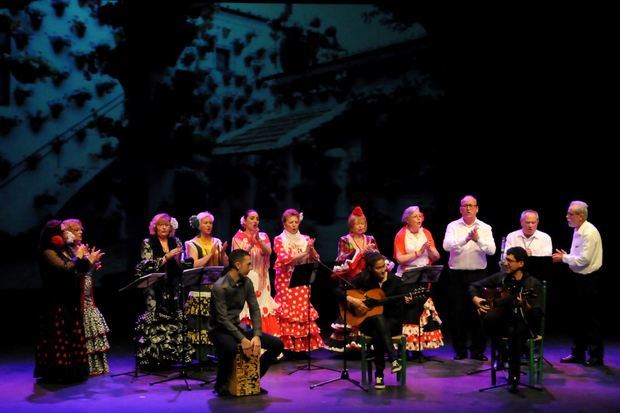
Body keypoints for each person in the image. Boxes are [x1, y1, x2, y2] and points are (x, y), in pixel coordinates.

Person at [34, 220, 102, 383]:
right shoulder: (48, 252)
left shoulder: (65, 249)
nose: (67, 234)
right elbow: (64, 269)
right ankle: (59, 373)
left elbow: (79, 270)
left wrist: (90, 261)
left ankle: (74, 371)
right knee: (59, 337)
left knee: (72, 335)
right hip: (56, 301)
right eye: (63, 231)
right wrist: (79, 258)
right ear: (55, 235)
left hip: (69, 300)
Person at [209, 249, 284, 397]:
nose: (251, 267)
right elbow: (222, 319)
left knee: (277, 345)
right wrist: (243, 339)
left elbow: (255, 309)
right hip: (219, 330)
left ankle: (252, 379)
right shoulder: (220, 287)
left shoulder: (247, 282)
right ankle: (221, 385)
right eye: (248, 264)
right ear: (237, 265)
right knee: (230, 348)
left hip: (237, 327)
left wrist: (256, 335)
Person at [470, 247, 543, 392]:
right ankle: (504, 353)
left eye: (509, 261)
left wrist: (526, 305)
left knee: (514, 331)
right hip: (504, 320)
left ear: (521, 263)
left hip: (524, 323)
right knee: (488, 318)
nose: (505, 263)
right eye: (505, 260)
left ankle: (513, 375)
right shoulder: (502, 277)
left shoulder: (532, 283)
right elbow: (474, 285)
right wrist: (476, 298)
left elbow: (538, 313)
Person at [134, 213, 193, 370]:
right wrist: (166, 257)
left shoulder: (176, 241)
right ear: (155, 227)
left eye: (167, 225)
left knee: (174, 319)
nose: (164, 227)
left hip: (173, 286)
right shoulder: (148, 242)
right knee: (155, 320)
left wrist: (178, 259)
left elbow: (184, 266)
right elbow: (146, 266)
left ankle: (171, 356)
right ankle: (152, 357)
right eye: (161, 225)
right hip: (154, 288)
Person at [336, 252, 404, 389]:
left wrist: (407, 301)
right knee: (378, 322)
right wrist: (352, 300)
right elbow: (337, 290)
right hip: (368, 321)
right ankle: (393, 359)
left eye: (383, 266)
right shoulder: (365, 278)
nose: (383, 270)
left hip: (392, 322)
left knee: (379, 326)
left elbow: (402, 307)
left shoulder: (395, 281)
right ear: (370, 269)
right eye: (378, 268)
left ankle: (379, 374)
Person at [443, 195, 496, 360]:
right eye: (465, 205)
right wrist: (466, 239)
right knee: (458, 313)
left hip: (478, 275)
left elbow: (492, 250)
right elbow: (446, 246)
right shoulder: (453, 226)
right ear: (460, 209)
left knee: (478, 313)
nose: (468, 208)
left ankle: (478, 351)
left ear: (477, 208)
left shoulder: (485, 227)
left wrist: (477, 239)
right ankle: (460, 350)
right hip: (456, 275)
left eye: (471, 205)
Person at [553, 201, 604, 366]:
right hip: (577, 279)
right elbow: (578, 256)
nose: (567, 216)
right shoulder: (578, 230)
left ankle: (595, 356)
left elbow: (584, 260)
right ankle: (578, 353)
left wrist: (564, 258)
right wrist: (568, 256)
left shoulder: (589, 232)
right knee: (576, 318)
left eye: (570, 214)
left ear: (580, 216)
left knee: (590, 319)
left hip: (588, 280)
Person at [327, 206, 380, 352]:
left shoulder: (370, 239)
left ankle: (367, 344)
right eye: (358, 223)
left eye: (363, 223)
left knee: (368, 310)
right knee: (353, 312)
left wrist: (372, 253)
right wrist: (361, 252)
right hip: (351, 280)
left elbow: (377, 258)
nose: (361, 226)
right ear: (352, 225)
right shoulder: (345, 240)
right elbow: (344, 261)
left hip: (368, 280)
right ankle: (351, 346)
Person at [393, 206, 444, 357]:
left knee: (422, 312)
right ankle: (407, 347)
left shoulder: (426, 233)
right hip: (407, 277)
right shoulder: (401, 235)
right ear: (407, 220)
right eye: (415, 216)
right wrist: (418, 253)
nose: (419, 219)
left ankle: (419, 347)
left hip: (424, 276)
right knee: (409, 312)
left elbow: (436, 257)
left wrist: (429, 250)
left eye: (420, 216)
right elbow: (399, 258)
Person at [62, 218, 110, 376]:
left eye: (80, 229)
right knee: (84, 329)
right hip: (78, 296)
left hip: (89, 294)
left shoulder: (82, 247)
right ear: (68, 233)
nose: (81, 232)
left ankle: (96, 366)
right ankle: (86, 366)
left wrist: (94, 264)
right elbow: (73, 272)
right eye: (76, 230)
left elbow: (86, 269)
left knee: (93, 326)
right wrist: (89, 261)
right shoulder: (68, 251)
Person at [273, 209, 324, 353]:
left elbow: (315, 259)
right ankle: (286, 347)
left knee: (301, 312)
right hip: (285, 279)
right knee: (287, 313)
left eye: (296, 222)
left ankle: (301, 347)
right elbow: (284, 259)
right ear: (284, 224)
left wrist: (311, 249)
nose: (294, 225)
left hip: (301, 278)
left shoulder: (305, 239)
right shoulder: (279, 239)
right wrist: (304, 252)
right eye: (291, 222)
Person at [185, 211, 229, 361]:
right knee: (201, 324)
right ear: (199, 225)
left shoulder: (216, 241)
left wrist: (222, 253)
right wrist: (210, 255)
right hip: (199, 289)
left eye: (210, 223)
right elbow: (194, 264)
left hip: (215, 289)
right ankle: (201, 355)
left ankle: (215, 354)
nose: (209, 225)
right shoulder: (191, 244)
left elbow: (226, 264)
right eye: (206, 223)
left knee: (215, 324)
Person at [232, 209, 279, 335]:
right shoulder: (238, 238)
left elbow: (269, 252)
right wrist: (251, 244)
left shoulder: (263, 236)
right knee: (249, 307)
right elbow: (238, 258)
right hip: (247, 278)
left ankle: (265, 341)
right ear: (244, 221)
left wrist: (258, 240)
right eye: (252, 218)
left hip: (262, 279)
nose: (255, 221)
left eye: (257, 218)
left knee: (262, 307)